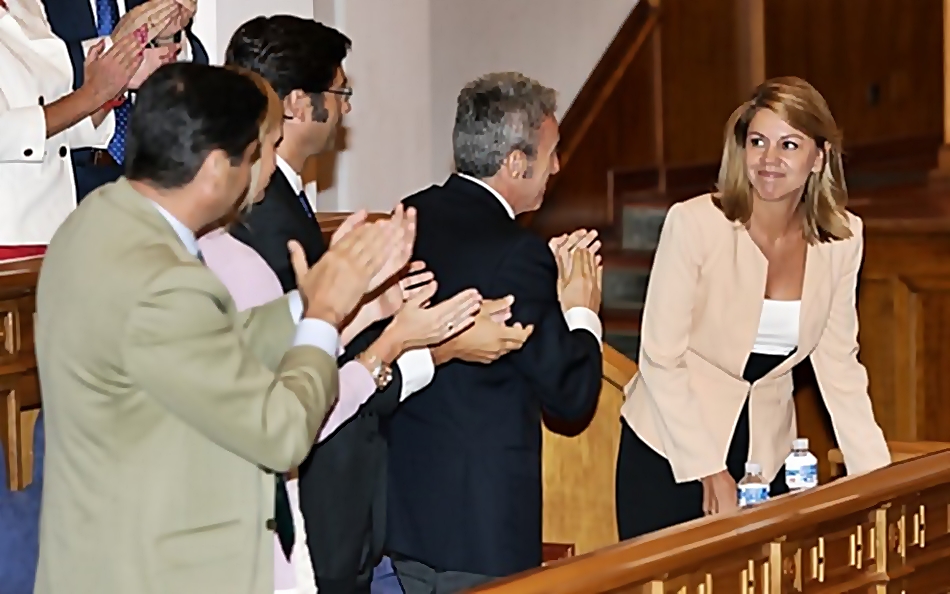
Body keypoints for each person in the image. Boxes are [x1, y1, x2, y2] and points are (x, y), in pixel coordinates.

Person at [32, 62, 409, 594]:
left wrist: (309, 299)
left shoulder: (96, 221)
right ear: (215, 170)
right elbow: (279, 433)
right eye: (254, 157)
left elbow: (205, 349)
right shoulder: (164, 280)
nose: (263, 171)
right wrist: (324, 320)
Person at [222, 18, 535, 594]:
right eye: (339, 93)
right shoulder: (268, 220)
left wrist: (377, 312)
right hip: (318, 499)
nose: (344, 110)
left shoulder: (285, 204)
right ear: (298, 104)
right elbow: (305, 373)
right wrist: (434, 346)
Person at [614, 76, 892, 540]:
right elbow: (660, 357)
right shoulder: (695, 223)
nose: (769, 160)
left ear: (819, 157)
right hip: (673, 446)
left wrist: (881, 486)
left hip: (768, 452)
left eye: (789, 144)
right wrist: (707, 467)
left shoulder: (842, 238)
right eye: (758, 141)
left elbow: (840, 367)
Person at [385, 72, 604, 593]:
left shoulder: (406, 217)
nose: (557, 165)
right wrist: (580, 312)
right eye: (551, 152)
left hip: (404, 519)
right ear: (515, 163)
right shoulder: (518, 253)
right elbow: (570, 396)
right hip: (482, 533)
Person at [0, 0, 164, 259]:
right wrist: (92, 94)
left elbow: (55, 127)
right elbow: (6, 133)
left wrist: (110, 89)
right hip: (9, 236)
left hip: (55, 230)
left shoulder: (27, 5)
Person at [42, 0, 209, 200]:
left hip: (151, 176)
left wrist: (169, 39)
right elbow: (33, 75)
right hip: (70, 177)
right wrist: (116, 55)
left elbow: (197, 79)